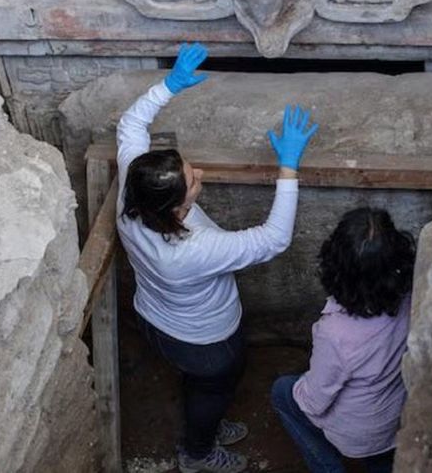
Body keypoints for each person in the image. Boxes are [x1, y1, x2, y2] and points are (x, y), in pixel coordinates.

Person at [116, 42, 319, 473]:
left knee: (203, 386)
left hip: (153, 317)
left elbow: (132, 123)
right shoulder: (192, 250)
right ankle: (198, 451)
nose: (200, 175)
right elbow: (273, 239)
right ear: (177, 208)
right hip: (205, 340)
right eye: (192, 181)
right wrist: (288, 168)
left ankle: (204, 419)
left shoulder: (132, 192)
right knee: (216, 384)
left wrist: (169, 86)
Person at [271, 207, 416, 473]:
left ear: (337, 265)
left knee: (282, 391)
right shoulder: (411, 293)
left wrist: (304, 382)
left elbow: (313, 402)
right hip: (395, 419)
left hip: (357, 434)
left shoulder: (335, 332)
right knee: (383, 461)